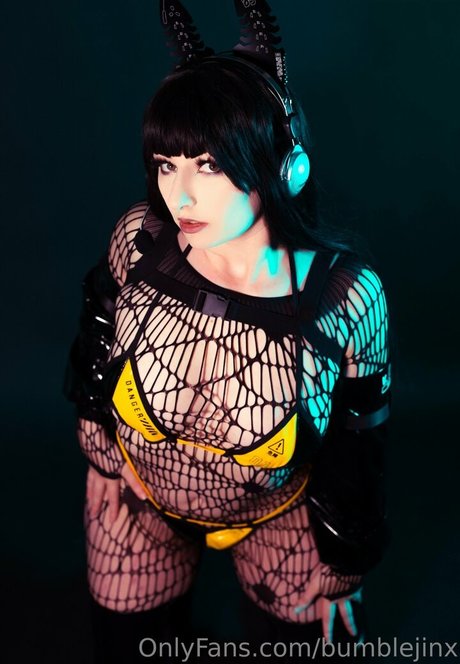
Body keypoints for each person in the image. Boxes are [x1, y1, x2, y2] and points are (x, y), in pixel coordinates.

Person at [65, 1, 391, 661]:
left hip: (277, 520)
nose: (180, 195)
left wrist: (344, 556)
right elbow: (98, 329)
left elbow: (358, 437)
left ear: (285, 165)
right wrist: (100, 452)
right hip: (138, 503)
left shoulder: (347, 299)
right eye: (167, 164)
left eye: (209, 165)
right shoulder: (140, 241)